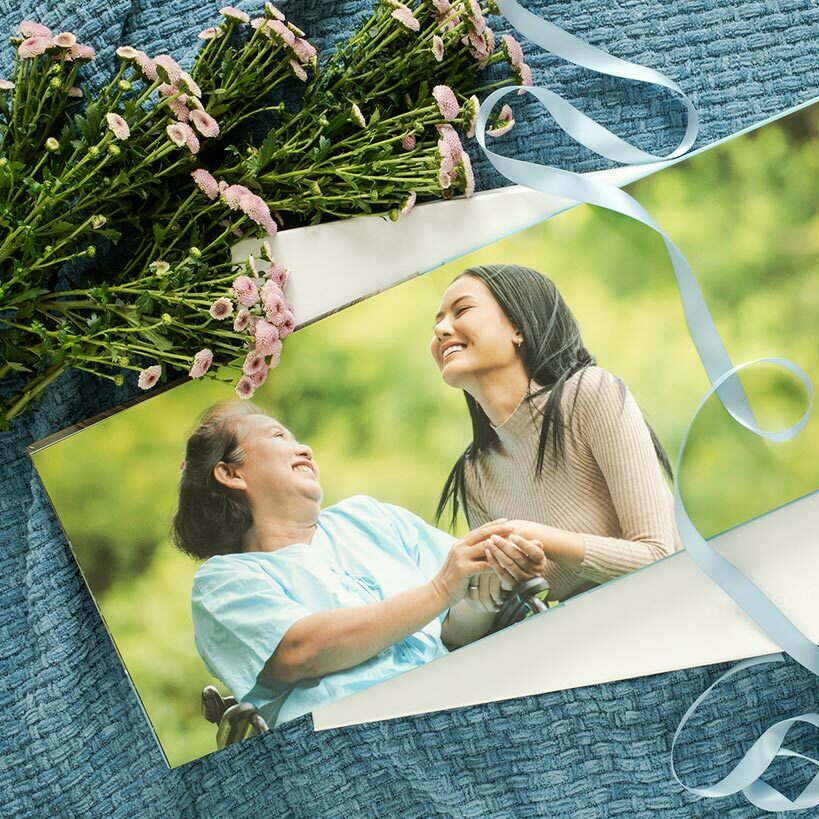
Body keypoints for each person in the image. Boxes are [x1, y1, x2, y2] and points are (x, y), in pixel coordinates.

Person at [172, 400, 544, 729]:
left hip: (458, 697)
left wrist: (483, 594)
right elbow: (299, 650)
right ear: (231, 473)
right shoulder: (224, 581)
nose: (304, 448)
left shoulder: (368, 517)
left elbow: (452, 633)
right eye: (278, 437)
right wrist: (441, 590)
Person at [431, 262, 682, 608]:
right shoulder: (476, 473)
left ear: (518, 328)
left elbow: (659, 556)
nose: (441, 329)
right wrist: (493, 589)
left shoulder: (590, 394)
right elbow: (491, 617)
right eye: (437, 322)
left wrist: (539, 538)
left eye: (461, 310)